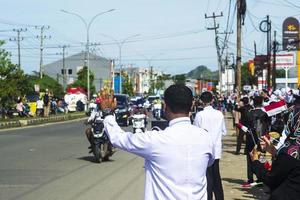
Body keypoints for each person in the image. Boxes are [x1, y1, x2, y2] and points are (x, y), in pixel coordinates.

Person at [102, 84, 214, 200]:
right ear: (192, 105)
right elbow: (209, 162)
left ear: (165, 106)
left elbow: (118, 138)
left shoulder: (155, 139)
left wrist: (107, 113)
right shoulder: (206, 138)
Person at [193, 91, 226, 200]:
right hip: (216, 149)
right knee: (216, 175)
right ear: (212, 100)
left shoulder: (199, 115)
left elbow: (196, 132)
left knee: (207, 177)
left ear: (201, 101)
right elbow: (223, 131)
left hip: (203, 150)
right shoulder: (219, 114)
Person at [245, 95, 271, 186]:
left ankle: (250, 178)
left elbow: (245, 126)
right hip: (262, 138)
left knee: (250, 157)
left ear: (254, 103)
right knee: (261, 157)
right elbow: (268, 127)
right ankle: (260, 178)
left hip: (250, 138)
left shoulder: (249, 113)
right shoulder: (265, 114)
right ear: (262, 103)